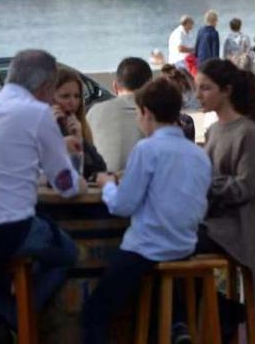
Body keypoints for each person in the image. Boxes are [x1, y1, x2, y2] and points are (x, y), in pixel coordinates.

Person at [82, 79, 211, 344]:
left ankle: (169, 326)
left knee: (94, 312)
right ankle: (175, 326)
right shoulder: (197, 154)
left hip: (148, 248)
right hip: (186, 246)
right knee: (151, 297)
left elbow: (122, 206)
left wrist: (107, 185)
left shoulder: (147, 149)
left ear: (146, 114)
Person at [0, 50, 83, 342]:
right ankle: (19, 316)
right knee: (68, 253)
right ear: (45, 88)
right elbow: (65, 184)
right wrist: (79, 176)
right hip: (11, 230)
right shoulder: (37, 113)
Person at [195, 59, 255, 294]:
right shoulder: (214, 130)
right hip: (213, 222)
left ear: (226, 91)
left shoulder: (246, 132)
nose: (198, 95)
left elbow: (245, 187)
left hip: (234, 229)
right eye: (197, 87)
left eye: (206, 88)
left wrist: (205, 183)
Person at [87, 57, 153, 173]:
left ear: (115, 86)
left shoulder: (94, 111)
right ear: (150, 86)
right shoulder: (158, 115)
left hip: (102, 183)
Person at [54, 67, 107, 181]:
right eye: (65, 96)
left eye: (77, 96)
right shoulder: (41, 126)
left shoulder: (79, 125)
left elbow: (100, 168)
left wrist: (80, 140)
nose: (72, 102)